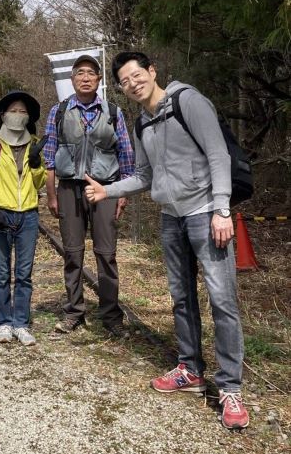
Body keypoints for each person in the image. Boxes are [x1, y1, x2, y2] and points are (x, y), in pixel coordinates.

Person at [84, 51, 249, 429]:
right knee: (181, 297)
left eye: (137, 75)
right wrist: (107, 191)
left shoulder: (188, 101)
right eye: (125, 81)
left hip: (206, 213)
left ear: (152, 71)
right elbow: (144, 175)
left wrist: (222, 209)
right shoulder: (142, 122)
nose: (133, 84)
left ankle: (230, 388)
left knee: (222, 300)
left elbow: (218, 154)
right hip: (171, 219)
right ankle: (190, 369)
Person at [43, 54, 135, 337]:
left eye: (91, 73)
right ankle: (74, 312)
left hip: (106, 189)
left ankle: (111, 316)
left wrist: (123, 192)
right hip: (69, 188)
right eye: (80, 73)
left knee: (106, 253)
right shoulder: (58, 111)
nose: (85, 78)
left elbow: (125, 153)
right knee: (72, 252)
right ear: (72, 79)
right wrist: (51, 194)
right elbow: (49, 156)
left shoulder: (113, 112)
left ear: (99, 80)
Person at [0, 91, 47, 346]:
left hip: (28, 214)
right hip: (1, 213)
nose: (18, 115)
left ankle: (21, 323)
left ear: (29, 117)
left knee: (24, 273)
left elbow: (39, 182)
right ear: (3, 115)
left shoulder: (35, 143)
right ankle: (4, 322)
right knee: (2, 272)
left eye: (23, 112)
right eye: (13, 111)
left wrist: (36, 164)